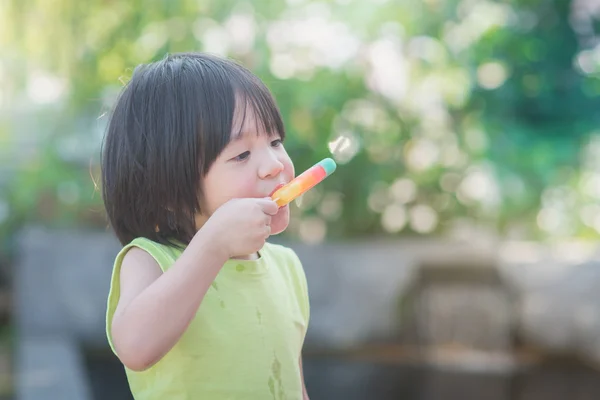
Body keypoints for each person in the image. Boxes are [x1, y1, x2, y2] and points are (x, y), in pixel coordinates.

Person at [101, 52, 310, 400]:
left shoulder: (288, 268)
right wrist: (213, 244)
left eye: (275, 142)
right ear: (170, 189)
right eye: (241, 155)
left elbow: (293, 386)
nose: (274, 165)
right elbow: (135, 348)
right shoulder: (151, 261)